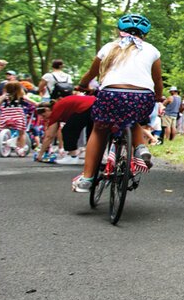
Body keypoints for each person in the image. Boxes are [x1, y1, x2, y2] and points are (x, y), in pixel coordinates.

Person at [71, 13, 164, 192]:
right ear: (145, 34)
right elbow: (157, 79)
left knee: (99, 129)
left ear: (119, 30)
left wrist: (82, 85)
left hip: (112, 94)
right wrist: (158, 96)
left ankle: (88, 179)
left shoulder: (109, 47)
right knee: (132, 117)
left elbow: (91, 74)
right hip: (142, 96)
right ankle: (140, 148)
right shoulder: (152, 50)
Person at [38, 89, 95, 165]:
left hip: (86, 107)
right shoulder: (60, 105)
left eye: (44, 116)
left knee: (68, 130)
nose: (45, 119)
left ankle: (72, 156)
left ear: (47, 110)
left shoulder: (55, 110)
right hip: (96, 104)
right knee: (92, 134)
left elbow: (49, 136)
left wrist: (40, 155)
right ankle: (93, 158)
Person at [0, 81, 34, 157]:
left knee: (4, 130)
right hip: (18, 116)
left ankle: (4, 140)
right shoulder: (21, 96)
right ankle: (21, 148)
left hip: (6, 116)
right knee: (22, 133)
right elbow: (34, 103)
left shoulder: (5, 96)